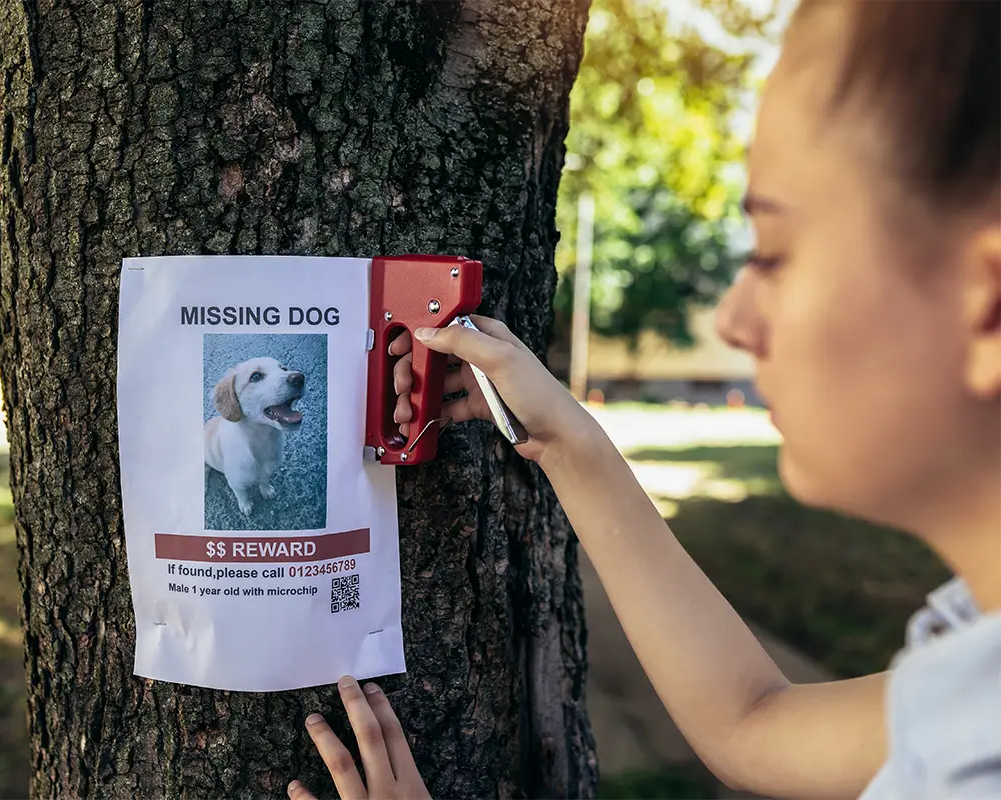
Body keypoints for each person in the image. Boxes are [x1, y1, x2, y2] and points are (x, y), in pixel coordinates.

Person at [288, 0, 1001, 797]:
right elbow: (753, 722)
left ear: (988, 302)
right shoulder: (975, 677)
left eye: (772, 253)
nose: (733, 319)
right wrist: (566, 441)